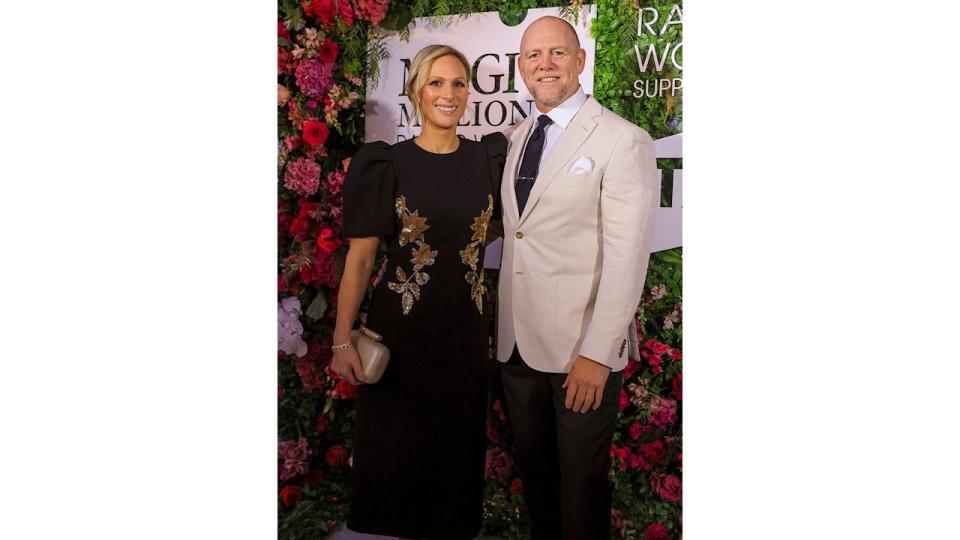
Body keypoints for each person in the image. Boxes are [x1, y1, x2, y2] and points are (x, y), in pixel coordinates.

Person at [331, 44, 507, 540]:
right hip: (401, 337)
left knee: (455, 462)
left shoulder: (487, 159)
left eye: (457, 84)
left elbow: (492, 230)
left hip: (464, 336)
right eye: (436, 83)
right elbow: (361, 260)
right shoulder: (386, 164)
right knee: (395, 462)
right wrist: (342, 339)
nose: (448, 94)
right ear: (415, 92)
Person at [496, 16, 660, 540]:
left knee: (581, 491)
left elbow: (627, 256)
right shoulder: (519, 135)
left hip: (579, 354)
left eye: (558, 53)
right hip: (517, 348)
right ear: (521, 67)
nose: (545, 64)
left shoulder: (621, 139)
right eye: (533, 55)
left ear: (580, 61)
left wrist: (597, 352)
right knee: (539, 484)